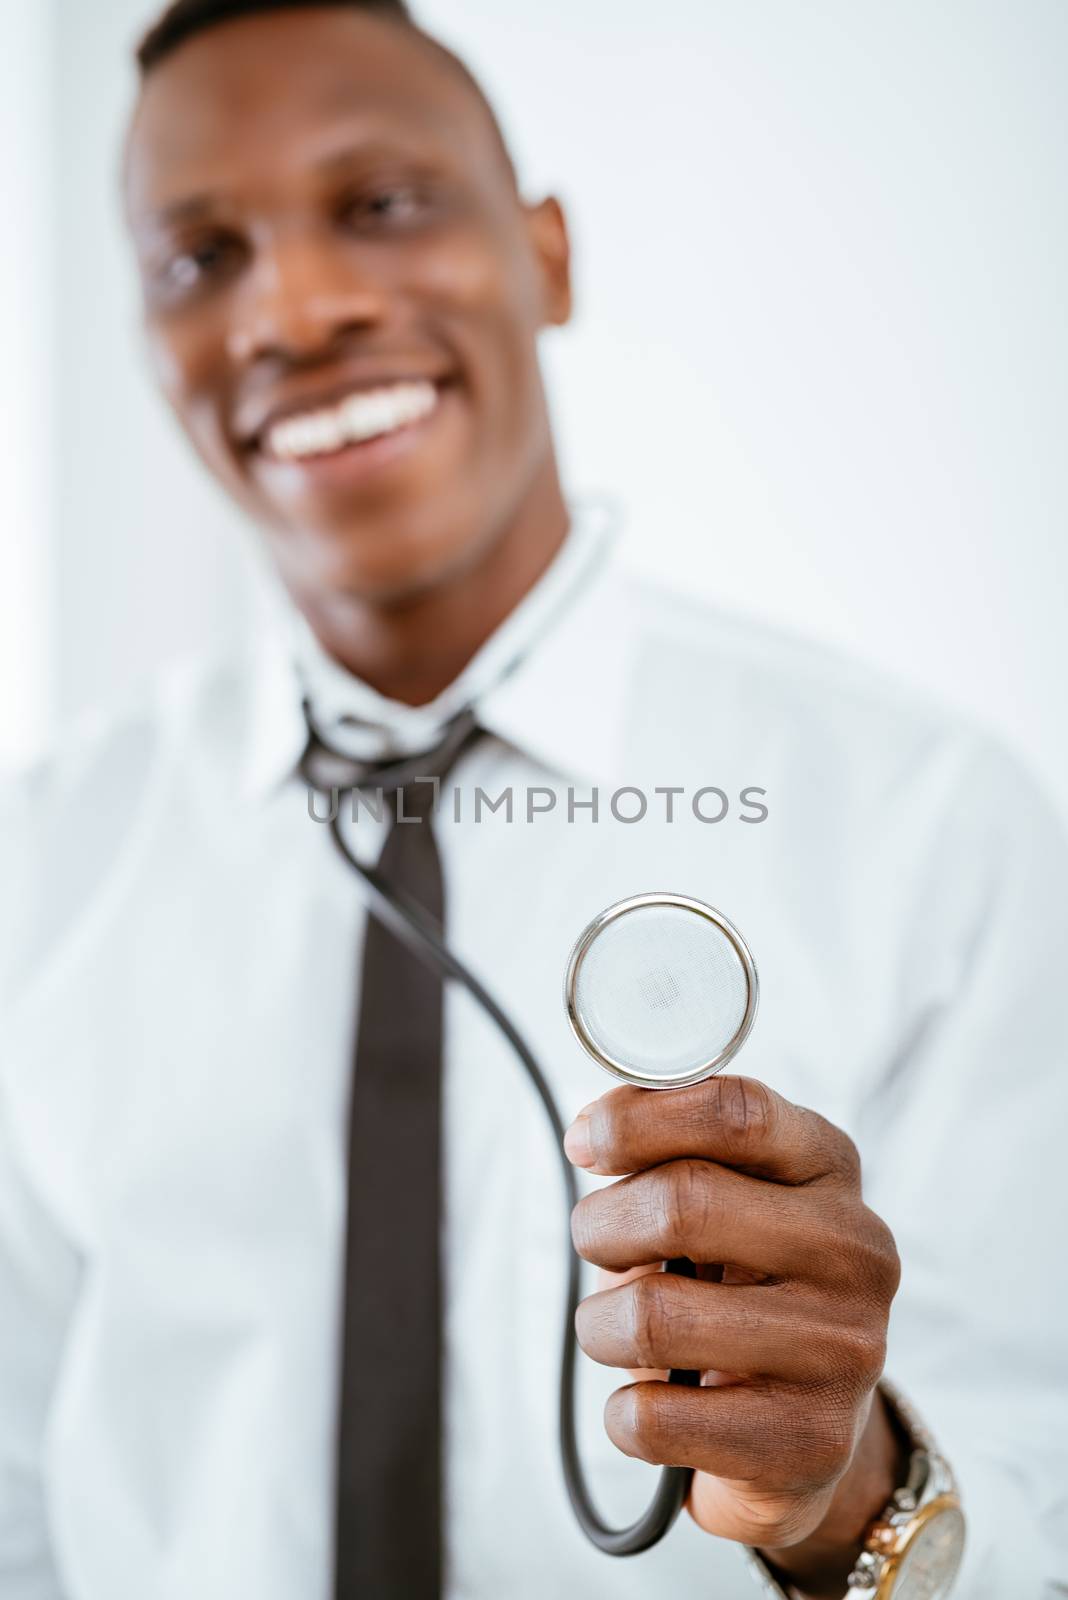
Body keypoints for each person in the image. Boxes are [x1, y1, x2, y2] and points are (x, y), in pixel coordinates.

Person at [1, 2, 1065, 1597]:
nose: (293, 306)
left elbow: (1038, 1500)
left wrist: (849, 1485)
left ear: (549, 256)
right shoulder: (43, 857)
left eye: (380, 205)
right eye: (200, 257)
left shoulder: (932, 821)